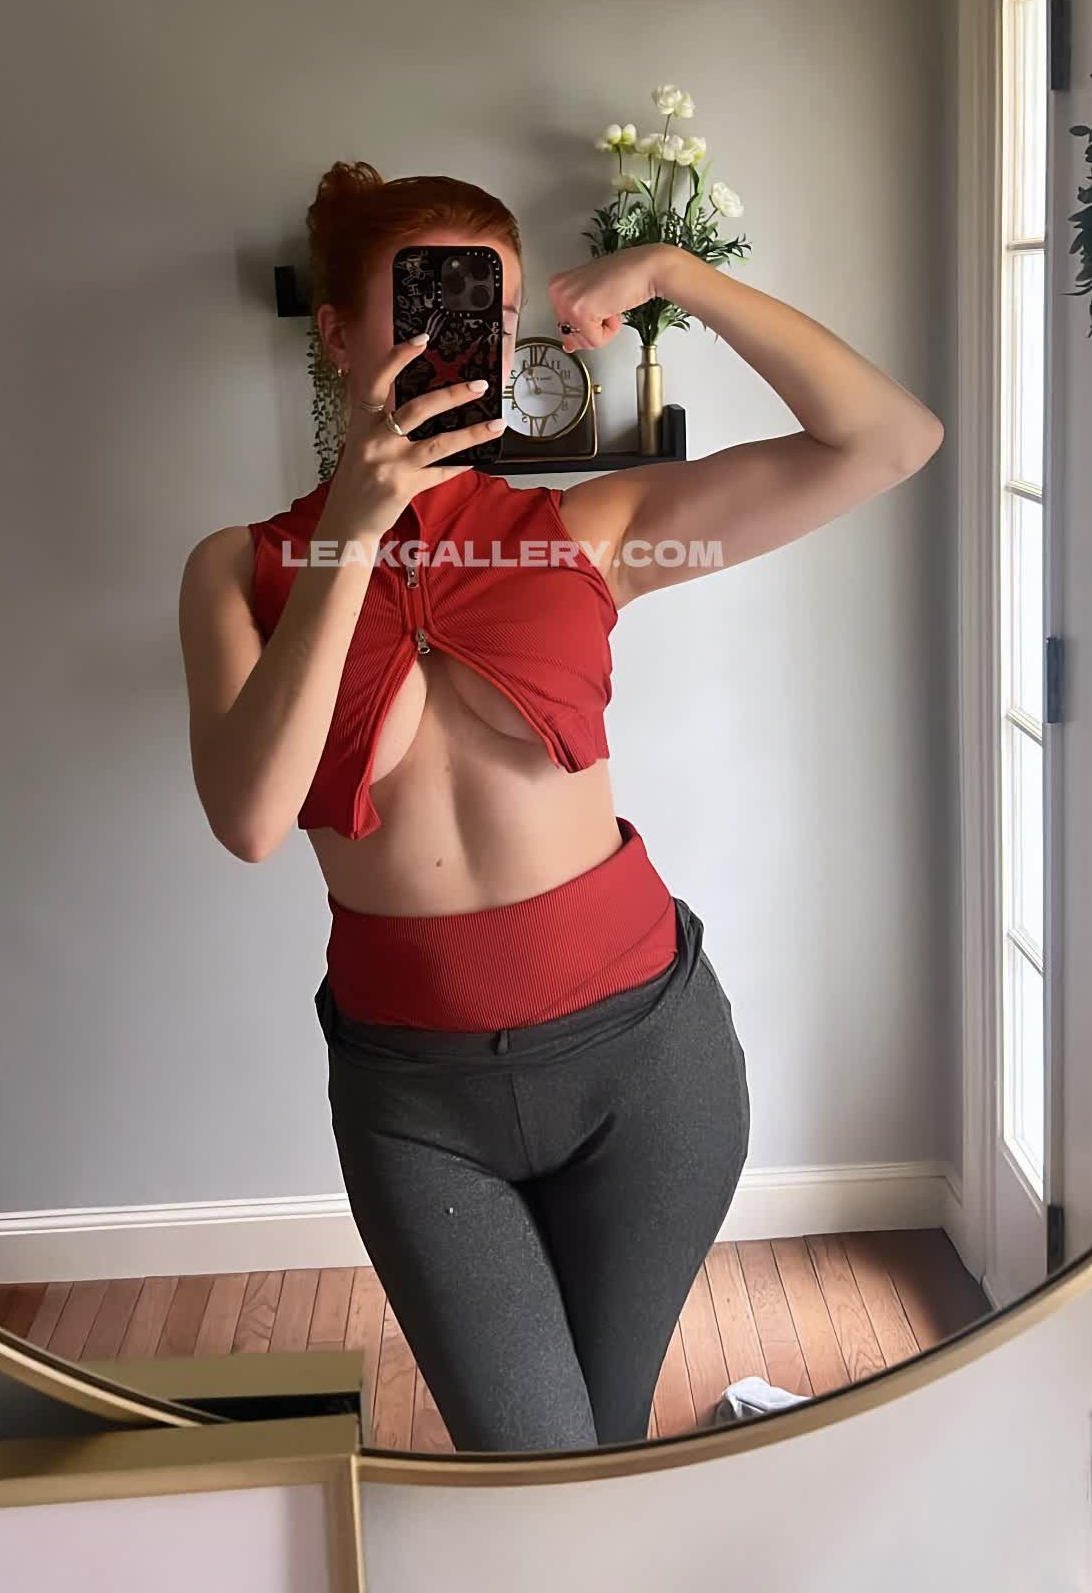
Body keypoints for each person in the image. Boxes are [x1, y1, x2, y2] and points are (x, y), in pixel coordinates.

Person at [178, 160, 943, 1453]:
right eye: (426, 308)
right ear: (340, 335)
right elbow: (252, 820)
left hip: (646, 1061)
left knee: (603, 1443)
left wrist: (679, 276)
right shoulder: (242, 569)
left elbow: (888, 440)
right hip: (417, 1103)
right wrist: (352, 535)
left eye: (490, 311)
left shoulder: (587, 530)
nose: (464, 341)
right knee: (528, 1453)